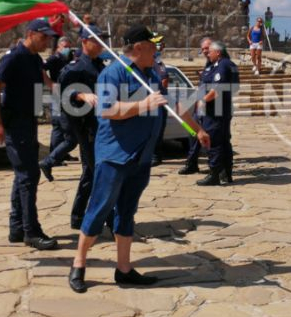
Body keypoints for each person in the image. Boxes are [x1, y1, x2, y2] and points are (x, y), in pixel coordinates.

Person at [68, 24, 210, 293]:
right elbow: (107, 110)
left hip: (141, 157)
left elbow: (172, 104)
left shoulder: (151, 73)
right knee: (99, 209)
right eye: (153, 44)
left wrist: (198, 129)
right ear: (139, 48)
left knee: (127, 213)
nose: (157, 49)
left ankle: (124, 269)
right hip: (115, 156)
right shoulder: (114, 72)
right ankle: (79, 264)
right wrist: (143, 105)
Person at [0, 19, 58, 250]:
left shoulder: (35, 59)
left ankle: (17, 227)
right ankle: (32, 231)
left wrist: (75, 96)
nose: (47, 41)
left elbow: (49, 84)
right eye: (44, 36)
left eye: (49, 37)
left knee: (22, 175)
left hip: (29, 121)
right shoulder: (14, 57)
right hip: (15, 123)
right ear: (31, 33)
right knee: (29, 176)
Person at [58, 25, 111, 230]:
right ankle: (105, 216)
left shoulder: (101, 65)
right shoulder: (76, 66)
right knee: (98, 172)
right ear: (84, 41)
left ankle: (79, 216)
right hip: (87, 127)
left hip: (102, 126)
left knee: (92, 174)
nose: (100, 44)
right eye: (96, 40)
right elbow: (63, 96)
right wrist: (81, 95)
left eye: (102, 40)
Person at [196, 41, 240, 186]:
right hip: (223, 109)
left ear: (218, 52)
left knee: (213, 140)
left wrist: (203, 100)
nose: (208, 53)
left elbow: (218, 88)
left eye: (210, 52)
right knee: (224, 141)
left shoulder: (222, 65)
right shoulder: (229, 64)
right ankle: (226, 174)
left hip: (216, 111)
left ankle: (214, 174)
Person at [40, 37, 78, 181]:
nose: (68, 48)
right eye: (65, 45)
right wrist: (50, 84)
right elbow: (42, 69)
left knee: (61, 127)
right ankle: (54, 156)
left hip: (66, 93)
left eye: (69, 45)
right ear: (58, 46)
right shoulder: (54, 58)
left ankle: (60, 154)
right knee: (58, 125)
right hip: (58, 93)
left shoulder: (67, 57)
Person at [178, 36, 213, 175]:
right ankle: (192, 163)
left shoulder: (219, 64)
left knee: (210, 138)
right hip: (200, 106)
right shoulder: (208, 64)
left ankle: (215, 168)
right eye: (203, 48)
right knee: (193, 133)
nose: (205, 51)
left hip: (211, 108)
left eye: (207, 48)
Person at [151, 37, 169, 167]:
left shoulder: (158, 64)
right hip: (149, 102)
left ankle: (156, 156)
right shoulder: (149, 64)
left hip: (158, 102)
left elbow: (164, 81)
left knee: (157, 131)